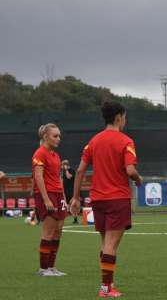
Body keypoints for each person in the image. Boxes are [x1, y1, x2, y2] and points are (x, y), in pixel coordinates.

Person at [70, 101, 142, 297]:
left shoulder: (93, 141)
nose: (125, 121)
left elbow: (80, 170)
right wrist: (138, 179)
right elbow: (130, 170)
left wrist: (75, 198)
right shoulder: (126, 141)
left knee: (105, 244)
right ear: (119, 117)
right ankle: (105, 288)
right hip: (117, 198)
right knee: (111, 244)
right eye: (125, 117)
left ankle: (109, 284)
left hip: (98, 199)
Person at [32, 123, 67, 277]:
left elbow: (58, 178)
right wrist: (46, 199)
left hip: (58, 195)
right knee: (48, 231)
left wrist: (64, 197)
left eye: (59, 135)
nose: (58, 138)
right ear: (45, 136)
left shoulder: (55, 155)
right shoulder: (40, 153)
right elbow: (38, 177)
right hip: (47, 194)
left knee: (58, 232)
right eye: (55, 136)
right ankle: (43, 269)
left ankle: (52, 267)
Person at [61, 160, 78, 224]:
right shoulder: (63, 172)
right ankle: (62, 219)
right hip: (65, 192)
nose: (61, 167)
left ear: (65, 165)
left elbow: (69, 177)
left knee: (73, 206)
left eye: (62, 165)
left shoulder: (72, 171)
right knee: (65, 206)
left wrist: (66, 170)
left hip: (71, 192)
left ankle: (75, 219)